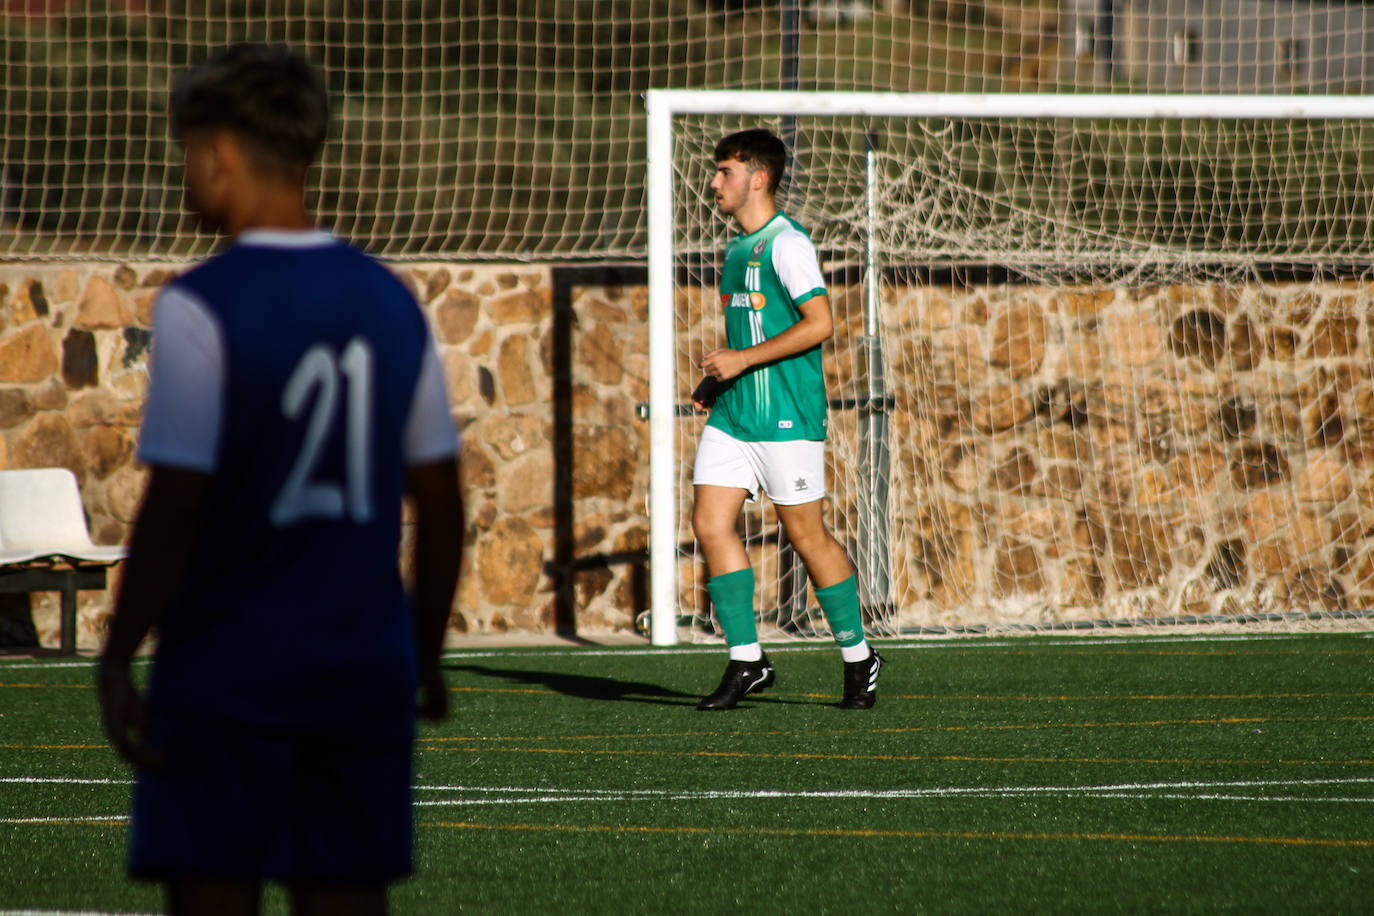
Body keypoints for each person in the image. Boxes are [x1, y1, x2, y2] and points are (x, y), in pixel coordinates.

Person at [96, 44, 463, 916]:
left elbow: (177, 502)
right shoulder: (389, 299)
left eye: (186, 149)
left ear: (221, 152)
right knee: (345, 897)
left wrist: (117, 654)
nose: (184, 169)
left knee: (212, 891)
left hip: (227, 668)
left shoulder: (201, 302)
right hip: (360, 670)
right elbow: (443, 504)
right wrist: (424, 652)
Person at [692, 128, 883, 711]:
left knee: (805, 536)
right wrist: (720, 376)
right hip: (734, 414)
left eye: (725, 172)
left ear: (758, 177)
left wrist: (741, 360)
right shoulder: (735, 248)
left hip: (786, 419)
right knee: (709, 523)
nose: (714, 182)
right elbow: (753, 328)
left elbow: (820, 323)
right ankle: (747, 660)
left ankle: (859, 657)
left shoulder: (786, 244)